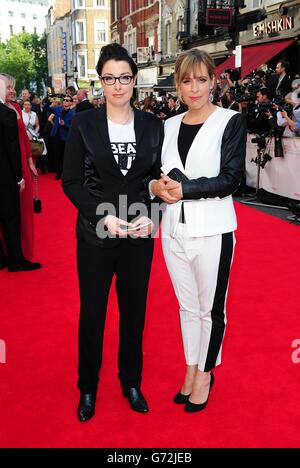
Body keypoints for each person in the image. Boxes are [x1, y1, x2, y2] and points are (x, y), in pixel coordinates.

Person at [62, 43, 163, 422]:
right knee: (93, 313)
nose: (117, 85)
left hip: (138, 231)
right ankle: (87, 387)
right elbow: (71, 181)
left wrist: (154, 214)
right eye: (109, 78)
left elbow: (157, 179)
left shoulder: (154, 126)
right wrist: (102, 216)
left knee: (134, 313)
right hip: (95, 233)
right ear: (100, 81)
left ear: (134, 80)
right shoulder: (84, 123)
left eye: (124, 77)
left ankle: (131, 382)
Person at [150, 49, 246, 413]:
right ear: (177, 83)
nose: (194, 89)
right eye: (187, 81)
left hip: (214, 231)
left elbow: (230, 179)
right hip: (173, 232)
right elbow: (154, 174)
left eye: (201, 80)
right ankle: (190, 367)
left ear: (213, 81)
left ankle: (206, 373)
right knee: (186, 308)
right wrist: (154, 189)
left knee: (211, 310)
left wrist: (184, 190)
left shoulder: (230, 122)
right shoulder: (167, 126)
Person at [0, 75, 41, 272]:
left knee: (19, 213)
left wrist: (30, 161)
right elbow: (11, 145)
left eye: (13, 88)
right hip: (11, 167)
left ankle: (16, 252)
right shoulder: (8, 112)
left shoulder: (15, 108)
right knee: (12, 214)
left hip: (20, 163)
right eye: (8, 87)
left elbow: (23, 138)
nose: (12, 91)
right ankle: (14, 256)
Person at [48, 95, 75, 179]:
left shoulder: (73, 113)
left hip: (66, 137)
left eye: (67, 100)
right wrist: (53, 101)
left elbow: (74, 127)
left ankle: (66, 173)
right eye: (64, 100)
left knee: (65, 156)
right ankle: (58, 173)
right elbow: (48, 109)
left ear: (71, 103)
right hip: (56, 135)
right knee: (57, 155)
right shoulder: (58, 109)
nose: (65, 101)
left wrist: (65, 125)